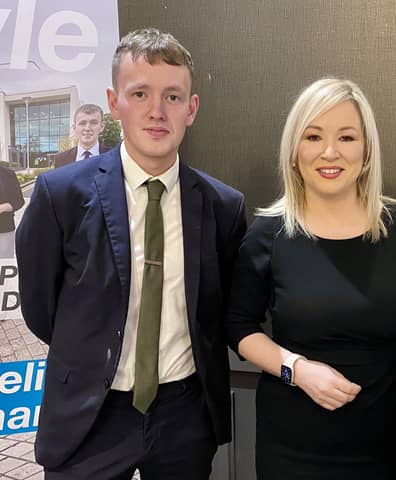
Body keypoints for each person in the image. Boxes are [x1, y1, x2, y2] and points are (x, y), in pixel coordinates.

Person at [16, 28, 246, 479]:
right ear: (114, 102)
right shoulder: (59, 194)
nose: (157, 111)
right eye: (139, 93)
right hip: (90, 414)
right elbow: (42, 309)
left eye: (173, 97)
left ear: (192, 108)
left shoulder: (223, 207)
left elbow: (218, 313)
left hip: (184, 416)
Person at [225, 78, 396, 479]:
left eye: (347, 137)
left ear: (367, 150)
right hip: (293, 449)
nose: (330, 152)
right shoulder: (268, 232)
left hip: (387, 440)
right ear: (294, 151)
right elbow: (237, 326)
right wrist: (296, 369)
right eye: (314, 136)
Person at [54, 104, 109, 168]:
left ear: (102, 126)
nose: (87, 128)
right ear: (74, 128)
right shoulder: (61, 159)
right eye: (82, 123)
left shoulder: (114, 157)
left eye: (93, 123)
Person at [0, 164, 25, 257]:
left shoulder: (8, 174)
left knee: (4, 265)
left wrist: (6, 206)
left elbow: (19, 201)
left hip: (4, 231)